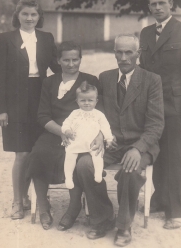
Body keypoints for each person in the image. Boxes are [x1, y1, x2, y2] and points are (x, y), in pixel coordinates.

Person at [62, 34, 164, 247]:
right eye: (119, 52)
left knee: (130, 170)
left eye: (129, 52)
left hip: (140, 144)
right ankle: (102, 218)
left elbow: (156, 124)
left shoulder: (151, 80)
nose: (124, 57)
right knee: (84, 164)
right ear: (114, 53)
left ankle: (124, 225)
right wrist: (100, 134)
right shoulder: (105, 77)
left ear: (138, 54)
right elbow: (98, 112)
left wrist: (137, 148)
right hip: (110, 141)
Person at [0, 0, 61, 220]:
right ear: (18, 16)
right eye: (25, 14)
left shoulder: (46, 38)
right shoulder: (5, 38)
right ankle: (17, 200)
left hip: (40, 99)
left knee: (37, 151)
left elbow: (58, 67)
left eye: (34, 14)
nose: (29, 18)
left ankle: (36, 197)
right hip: (15, 102)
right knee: (21, 153)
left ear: (39, 16)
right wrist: (0, 109)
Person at [26, 41, 103, 230]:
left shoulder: (90, 79)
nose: (71, 64)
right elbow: (42, 115)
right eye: (66, 60)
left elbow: (100, 112)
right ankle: (44, 207)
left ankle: (73, 207)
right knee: (38, 153)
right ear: (58, 60)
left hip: (83, 133)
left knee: (79, 159)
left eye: (75, 59)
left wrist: (98, 134)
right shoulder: (50, 82)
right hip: (55, 131)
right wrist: (61, 131)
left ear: (80, 60)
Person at [139, 0, 181, 229]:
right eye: (154, 4)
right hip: (150, 105)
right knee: (157, 153)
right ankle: (160, 199)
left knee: (176, 156)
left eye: (162, 3)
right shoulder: (146, 33)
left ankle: (178, 209)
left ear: (171, 4)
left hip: (173, 103)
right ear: (149, 7)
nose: (158, 8)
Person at [62, 81, 113, 189]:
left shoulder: (99, 114)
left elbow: (105, 127)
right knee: (70, 156)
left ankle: (98, 173)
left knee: (97, 155)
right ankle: (68, 177)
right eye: (83, 100)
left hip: (91, 142)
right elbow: (66, 123)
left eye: (90, 100)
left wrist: (109, 139)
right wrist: (67, 130)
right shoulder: (75, 113)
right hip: (76, 140)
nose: (87, 103)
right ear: (77, 101)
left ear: (96, 101)